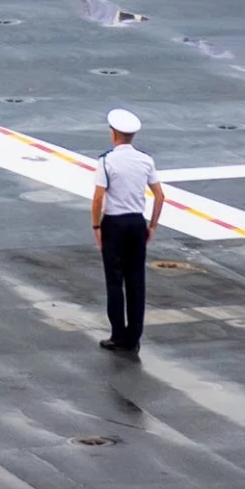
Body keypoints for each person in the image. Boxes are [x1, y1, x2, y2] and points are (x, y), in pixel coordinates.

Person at [91, 106, 161, 353]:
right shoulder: (145, 160)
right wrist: (152, 225)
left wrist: (96, 226)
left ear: (113, 134)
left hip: (114, 224)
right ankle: (134, 337)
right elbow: (160, 196)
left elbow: (98, 198)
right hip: (136, 223)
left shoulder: (107, 161)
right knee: (136, 281)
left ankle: (117, 335)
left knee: (114, 281)